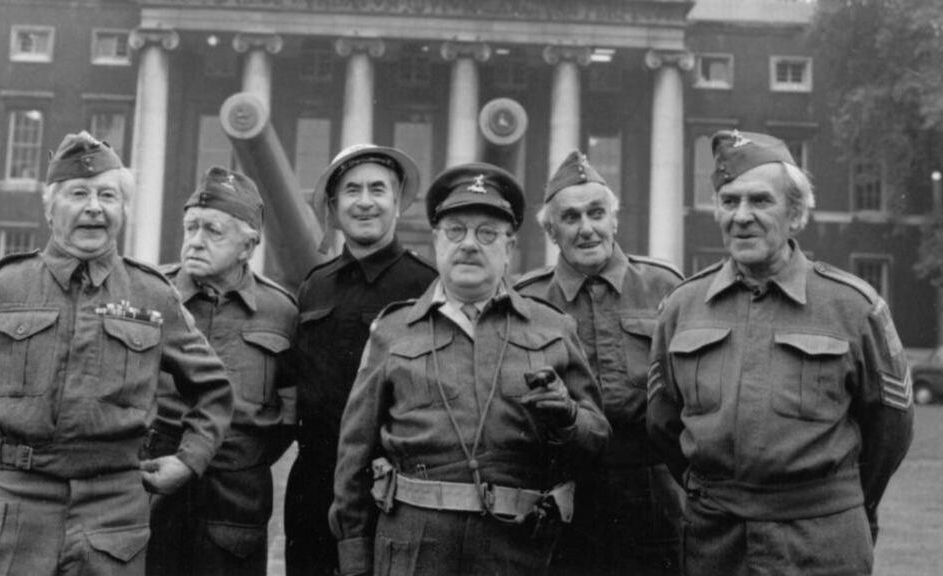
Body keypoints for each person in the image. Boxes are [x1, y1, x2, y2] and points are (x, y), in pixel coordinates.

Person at [0, 132, 234, 575]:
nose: (94, 206)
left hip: (114, 513)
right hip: (17, 507)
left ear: (123, 211)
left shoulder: (153, 295)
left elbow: (214, 389)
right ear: (50, 209)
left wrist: (189, 461)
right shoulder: (1, 288)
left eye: (108, 195)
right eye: (79, 194)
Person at [647, 129, 914, 575]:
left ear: (795, 214)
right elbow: (662, 423)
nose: (742, 216)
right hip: (716, 543)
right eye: (729, 201)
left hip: (820, 542)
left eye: (760, 201)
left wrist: (834, 503)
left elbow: (890, 431)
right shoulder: (682, 306)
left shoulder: (853, 307)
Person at [330, 162, 610, 576]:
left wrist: (567, 416)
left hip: (516, 547)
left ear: (509, 248)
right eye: (456, 231)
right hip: (414, 546)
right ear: (436, 242)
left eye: (487, 234)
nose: (469, 245)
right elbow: (353, 455)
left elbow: (597, 439)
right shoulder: (393, 331)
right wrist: (354, 559)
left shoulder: (553, 328)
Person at [515, 149, 683, 575]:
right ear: (552, 231)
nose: (586, 228)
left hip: (655, 492)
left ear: (615, 220)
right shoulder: (526, 300)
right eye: (571, 218)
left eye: (596, 213)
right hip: (563, 494)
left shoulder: (666, 287)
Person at [285, 144, 437, 576]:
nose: (365, 201)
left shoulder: (426, 284)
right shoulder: (315, 286)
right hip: (313, 483)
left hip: (392, 486)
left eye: (378, 189)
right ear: (334, 207)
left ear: (397, 202)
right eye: (352, 191)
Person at [144, 166, 298, 575]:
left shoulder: (280, 311)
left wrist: (243, 457)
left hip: (234, 503)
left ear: (248, 246)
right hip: (152, 485)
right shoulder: (149, 295)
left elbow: (289, 410)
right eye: (190, 227)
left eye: (212, 231)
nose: (195, 241)